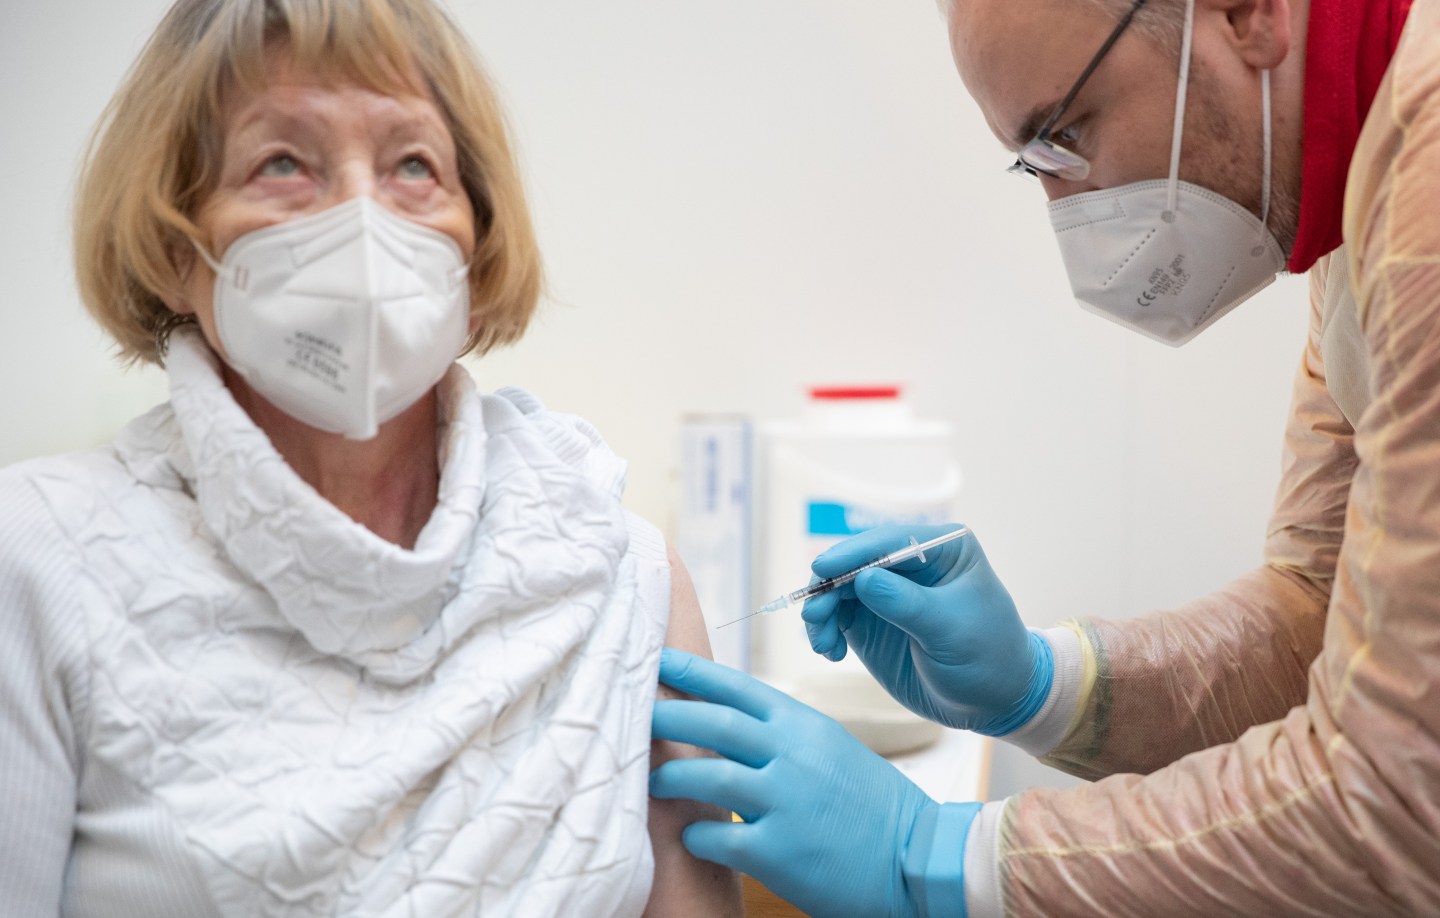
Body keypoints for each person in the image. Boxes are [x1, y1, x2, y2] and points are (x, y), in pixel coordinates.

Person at [651, 0, 1438, 914]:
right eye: (1036, 165)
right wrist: (1044, 685)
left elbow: (1395, 801)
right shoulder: (1362, 199)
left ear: (1245, 13)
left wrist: (936, 856)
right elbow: (1320, 615)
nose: (1072, 215)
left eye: (1068, 133)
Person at [0, 1, 742, 915]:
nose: (361, 221)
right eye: (282, 163)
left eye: (413, 166)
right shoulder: (36, 563)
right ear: (174, 250)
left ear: (477, 257)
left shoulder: (619, 570)